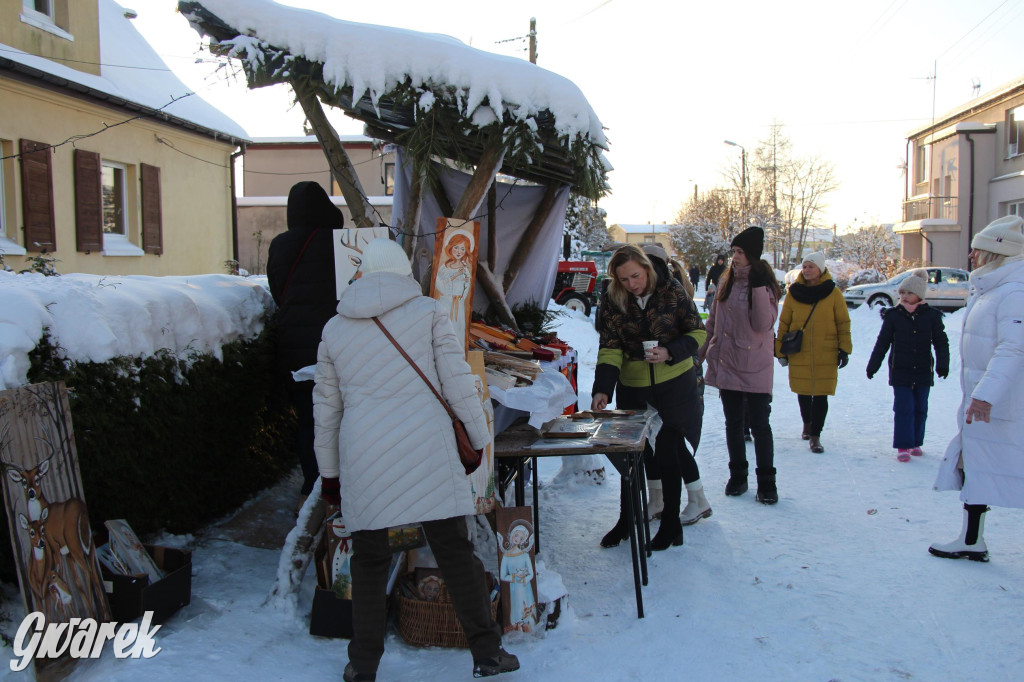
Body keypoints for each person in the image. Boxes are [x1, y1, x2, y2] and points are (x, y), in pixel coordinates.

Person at [313, 238, 518, 680]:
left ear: (364, 273)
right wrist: (479, 440)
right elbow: (457, 381)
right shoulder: (428, 313)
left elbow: (327, 412)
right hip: (427, 450)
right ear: (405, 272)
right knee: (455, 554)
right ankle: (487, 652)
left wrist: (330, 475)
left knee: (368, 562)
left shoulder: (334, 329)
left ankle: (362, 665)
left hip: (364, 455)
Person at [592, 244, 708, 550]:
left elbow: (698, 333)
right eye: (624, 279)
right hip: (634, 387)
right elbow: (610, 348)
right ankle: (626, 519)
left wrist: (670, 351)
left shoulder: (671, 289)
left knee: (668, 451)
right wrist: (603, 388)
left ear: (646, 268)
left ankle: (670, 523)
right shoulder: (613, 300)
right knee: (631, 456)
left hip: (674, 385)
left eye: (636, 276)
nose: (632, 284)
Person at [930, 215, 1024, 562]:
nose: (970, 256)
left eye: (977, 250)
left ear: (995, 253)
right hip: (983, 401)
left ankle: (972, 540)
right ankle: (972, 540)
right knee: (976, 464)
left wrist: (986, 395)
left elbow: (1014, 348)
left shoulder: (1014, 291)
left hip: (1002, 404)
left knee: (1001, 466)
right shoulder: (993, 288)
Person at [267, 181, 344, 502]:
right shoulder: (340, 243)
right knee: (342, 415)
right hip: (336, 343)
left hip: (294, 346)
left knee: (308, 418)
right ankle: (342, 484)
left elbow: (276, 291)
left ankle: (313, 490)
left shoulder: (281, 244)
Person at [699, 227, 782, 503]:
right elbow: (713, 323)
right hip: (728, 363)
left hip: (755, 365)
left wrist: (757, 287)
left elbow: (763, 324)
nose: (734, 257)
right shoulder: (727, 282)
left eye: (740, 252)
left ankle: (767, 483)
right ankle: (738, 476)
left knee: (760, 425)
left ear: (753, 255)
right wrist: (698, 356)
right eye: (733, 252)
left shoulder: (765, 286)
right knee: (733, 424)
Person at [865, 269, 950, 462]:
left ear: (919, 295)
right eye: (902, 293)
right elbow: (883, 342)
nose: (904, 296)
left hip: (922, 369)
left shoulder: (932, 316)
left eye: (909, 293)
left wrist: (943, 364)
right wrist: (873, 365)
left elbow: (940, 341)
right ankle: (903, 444)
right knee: (904, 407)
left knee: (920, 407)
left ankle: (916, 442)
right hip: (900, 369)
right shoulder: (893, 315)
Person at [775, 252, 852, 453]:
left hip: (826, 350)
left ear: (821, 269)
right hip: (799, 350)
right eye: (805, 266)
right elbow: (784, 322)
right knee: (802, 391)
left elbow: (843, 322)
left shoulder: (833, 293)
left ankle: (815, 435)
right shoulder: (794, 292)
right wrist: (779, 349)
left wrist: (844, 348)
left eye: (811, 266)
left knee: (820, 394)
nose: (807, 270)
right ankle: (807, 424)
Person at [435, 231, 474, 344]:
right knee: (443, 329)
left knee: (457, 331)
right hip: (445, 303)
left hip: (458, 306)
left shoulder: (465, 269)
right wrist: (454, 277)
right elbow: (440, 283)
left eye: (462, 249)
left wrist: (463, 289)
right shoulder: (445, 267)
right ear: (450, 247)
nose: (459, 251)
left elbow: (466, 287)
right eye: (456, 247)